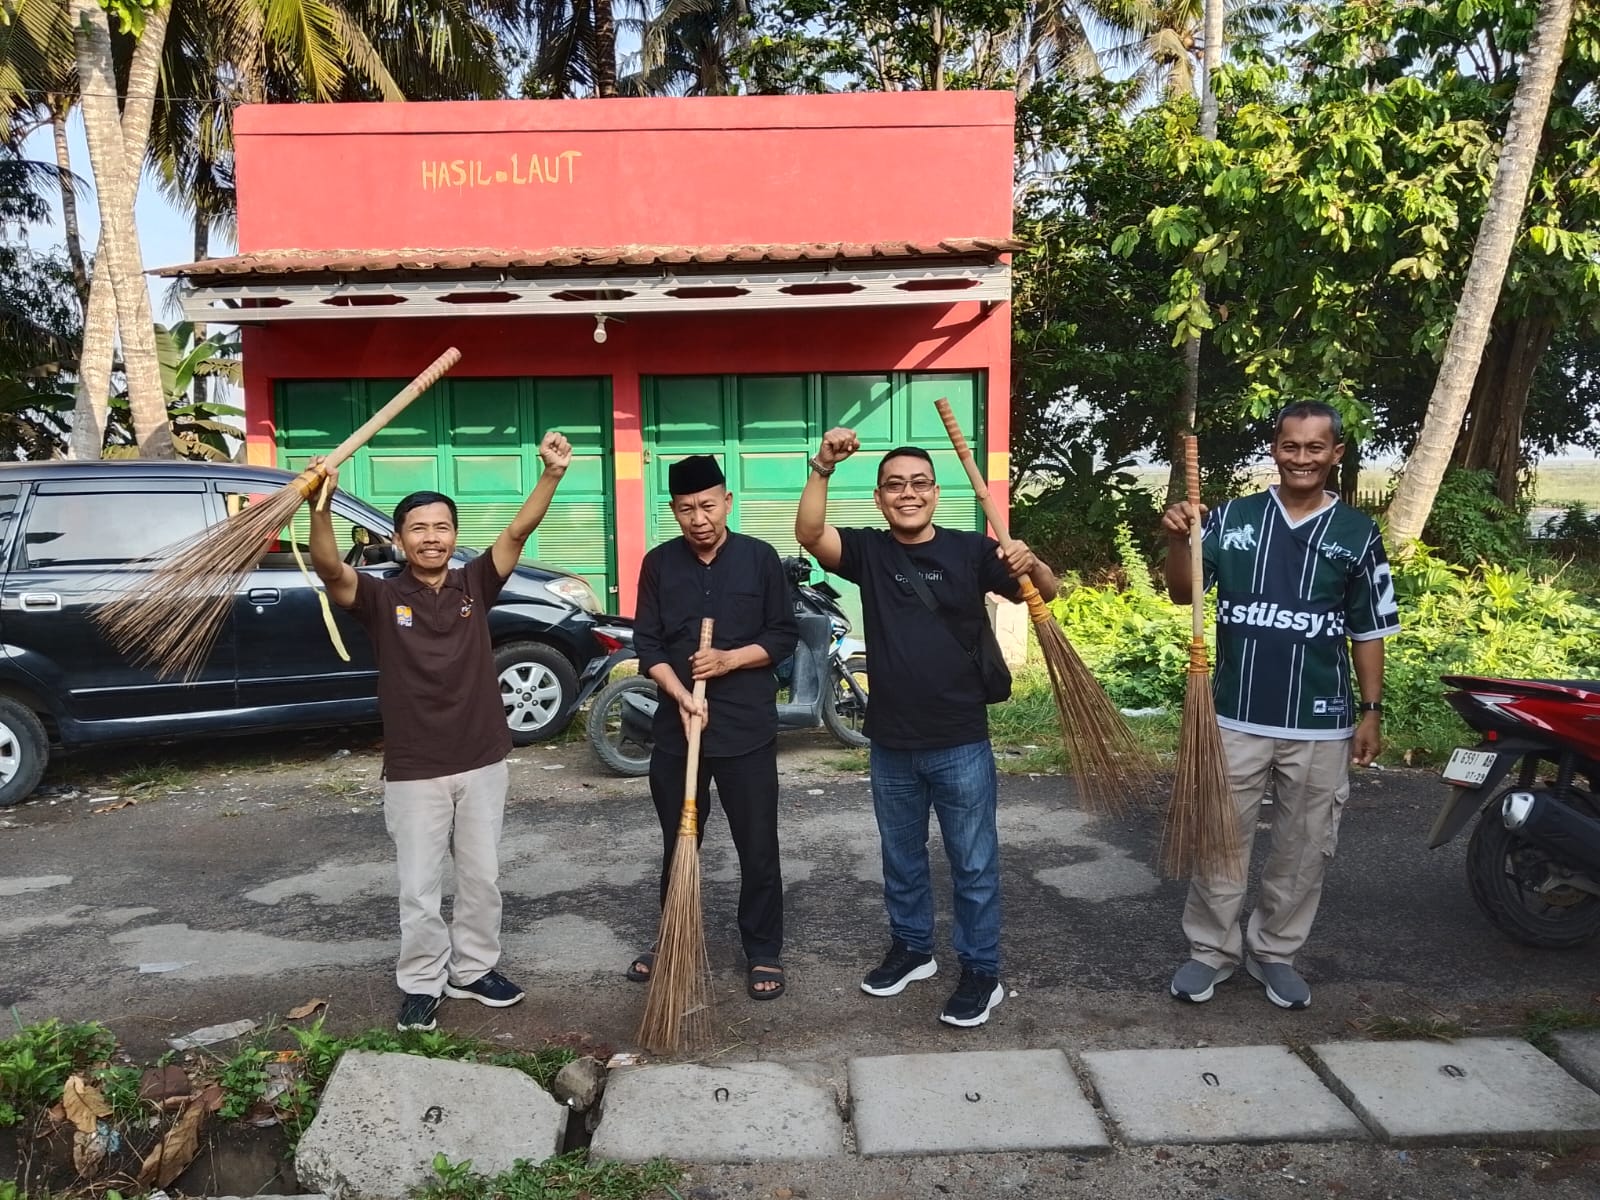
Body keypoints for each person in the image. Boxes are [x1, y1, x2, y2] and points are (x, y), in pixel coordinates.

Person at [308, 430, 573, 1032]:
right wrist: (321, 504)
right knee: (420, 888)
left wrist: (552, 475)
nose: (432, 538)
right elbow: (328, 565)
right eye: (418, 529)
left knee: (482, 876)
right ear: (398, 540)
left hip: (482, 757)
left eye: (441, 527)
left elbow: (516, 533)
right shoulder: (379, 596)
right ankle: (423, 981)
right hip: (415, 766)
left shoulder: (474, 584)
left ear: (454, 536)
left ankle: (474, 969)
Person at [796, 430, 1058, 1027]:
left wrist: (1032, 561)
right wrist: (822, 467)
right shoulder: (869, 552)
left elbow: (1044, 592)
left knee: (973, 862)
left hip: (961, 739)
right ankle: (913, 950)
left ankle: (981, 970)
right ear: (881, 497)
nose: (907, 493)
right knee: (901, 857)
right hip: (891, 741)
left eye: (918, 483)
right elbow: (810, 534)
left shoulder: (971, 552)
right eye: (895, 485)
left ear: (936, 493)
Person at [1161, 402, 1400, 1010]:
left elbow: (1367, 630)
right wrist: (1176, 541)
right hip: (1234, 716)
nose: (1301, 458)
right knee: (1221, 841)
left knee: (1303, 845)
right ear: (1275, 448)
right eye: (1291, 446)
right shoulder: (1236, 519)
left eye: (1315, 448)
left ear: (1335, 455)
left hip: (1321, 722)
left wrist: (1370, 710)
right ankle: (1210, 954)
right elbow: (1184, 591)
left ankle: (1276, 953)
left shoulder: (1357, 534)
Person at [629, 454, 798, 999]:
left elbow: (781, 635)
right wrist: (678, 694)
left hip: (746, 729)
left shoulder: (760, 558)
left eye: (707, 505)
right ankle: (673, 939)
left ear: (727, 502)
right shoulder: (658, 564)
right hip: (678, 732)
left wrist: (729, 660)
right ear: (673, 512)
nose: (698, 517)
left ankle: (763, 949)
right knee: (681, 842)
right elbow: (648, 644)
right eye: (685, 509)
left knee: (757, 844)